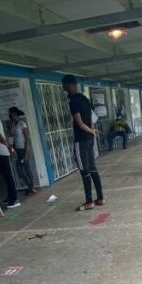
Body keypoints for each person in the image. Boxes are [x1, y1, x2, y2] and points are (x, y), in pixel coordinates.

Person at [61, 75, 106, 211]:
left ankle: (88, 201)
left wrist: (91, 131)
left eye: (63, 85)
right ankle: (100, 198)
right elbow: (92, 117)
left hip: (81, 140)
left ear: (68, 85)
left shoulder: (73, 101)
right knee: (92, 168)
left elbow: (80, 123)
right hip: (90, 140)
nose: (63, 87)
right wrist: (92, 130)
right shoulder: (84, 98)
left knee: (84, 170)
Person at [8, 107, 37, 195]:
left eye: (12, 114)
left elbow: (27, 139)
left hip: (23, 149)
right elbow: (11, 138)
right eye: (11, 114)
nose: (11, 116)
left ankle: (31, 187)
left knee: (27, 169)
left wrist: (26, 153)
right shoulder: (13, 125)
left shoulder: (22, 124)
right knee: (19, 170)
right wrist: (12, 150)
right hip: (17, 151)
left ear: (16, 114)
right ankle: (30, 186)